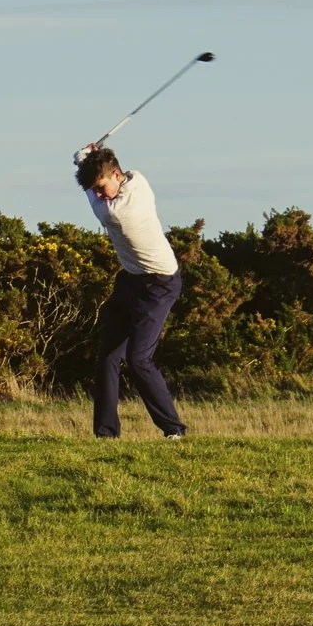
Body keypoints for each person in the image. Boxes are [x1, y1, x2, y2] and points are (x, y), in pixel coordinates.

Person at [73, 143, 187, 440]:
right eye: (96, 189)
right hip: (131, 280)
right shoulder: (137, 179)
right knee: (108, 356)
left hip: (160, 285)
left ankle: (173, 430)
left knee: (138, 360)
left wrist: (81, 159)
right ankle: (106, 434)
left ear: (116, 174)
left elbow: (94, 199)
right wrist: (91, 159)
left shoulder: (118, 212)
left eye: (101, 187)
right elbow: (101, 177)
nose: (100, 193)